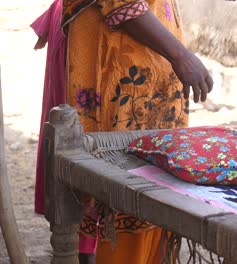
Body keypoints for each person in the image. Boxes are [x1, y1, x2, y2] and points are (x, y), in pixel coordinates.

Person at [32, 0, 213, 263]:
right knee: (127, 194)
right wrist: (180, 55)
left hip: (148, 84)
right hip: (123, 80)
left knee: (152, 195)